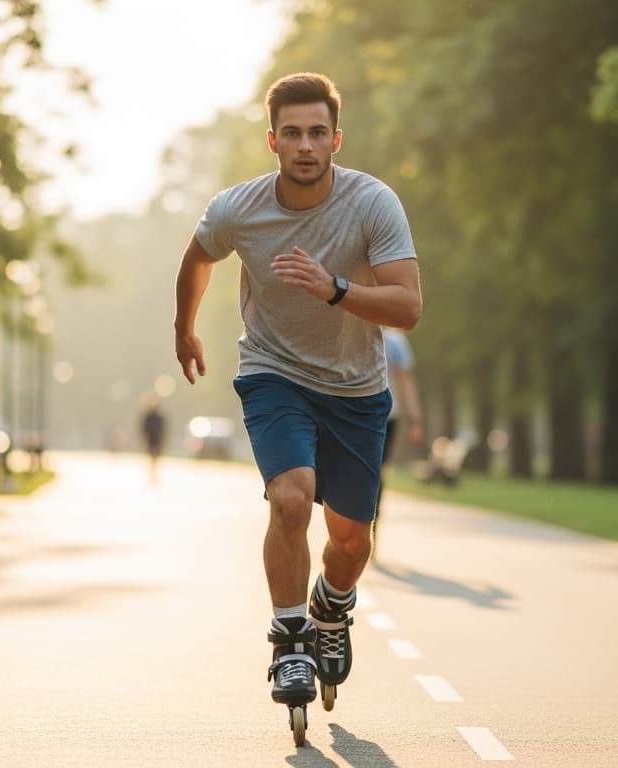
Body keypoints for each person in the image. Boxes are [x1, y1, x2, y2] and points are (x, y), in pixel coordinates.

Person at [172, 72, 422, 713]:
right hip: (273, 372)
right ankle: (289, 640)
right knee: (290, 499)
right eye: (292, 134)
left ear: (336, 138)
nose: (305, 145)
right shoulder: (239, 208)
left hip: (356, 388)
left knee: (350, 539)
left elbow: (408, 307)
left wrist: (334, 288)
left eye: (317, 132)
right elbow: (199, 257)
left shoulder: (373, 204)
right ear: (273, 141)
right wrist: (184, 329)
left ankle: (332, 608)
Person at [373, 327, 423, 560]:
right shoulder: (350, 331)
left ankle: (373, 529)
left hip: (387, 417)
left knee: (378, 474)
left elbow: (405, 382)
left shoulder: (394, 342)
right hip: (354, 415)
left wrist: (415, 420)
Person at [139, 393, 166, 484]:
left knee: (154, 457)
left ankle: (153, 473)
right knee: (153, 457)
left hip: (155, 439)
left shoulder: (158, 417)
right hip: (152, 439)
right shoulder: (149, 417)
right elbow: (144, 429)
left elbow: (162, 429)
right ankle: (152, 473)